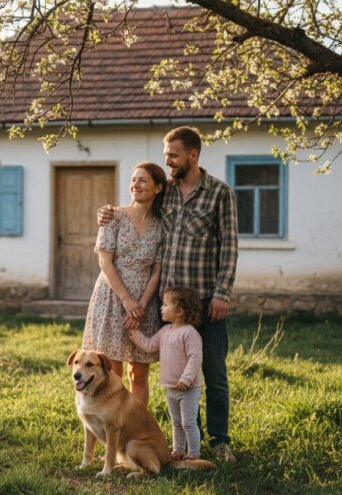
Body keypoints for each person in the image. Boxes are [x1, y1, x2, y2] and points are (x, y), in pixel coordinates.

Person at [98, 126, 239, 462]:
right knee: (175, 376)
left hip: (206, 300)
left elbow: (230, 247)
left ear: (193, 155)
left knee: (214, 373)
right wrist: (107, 213)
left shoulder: (220, 193)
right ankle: (189, 443)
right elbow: (137, 203)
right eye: (166, 157)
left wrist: (223, 293)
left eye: (173, 156)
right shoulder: (167, 192)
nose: (169, 162)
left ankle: (220, 442)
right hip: (171, 307)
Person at [81, 161, 167, 408]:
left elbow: (157, 270)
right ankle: (111, 427)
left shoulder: (162, 225)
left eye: (142, 180)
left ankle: (135, 427)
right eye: (133, 179)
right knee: (112, 373)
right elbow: (105, 262)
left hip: (144, 303)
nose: (135, 185)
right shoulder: (113, 216)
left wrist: (140, 305)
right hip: (112, 297)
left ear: (158, 188)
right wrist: (127, 301)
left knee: (138, 374)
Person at [127, 286, 204, 461]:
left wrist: (186, 379)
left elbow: (195, 358)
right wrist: (134, 331)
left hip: (188, 389)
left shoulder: (190, 333)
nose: (161, 308)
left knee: (188, 423)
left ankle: (194, 453)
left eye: (166, 304)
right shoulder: (165, 331)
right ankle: (177, 451)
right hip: (171, 387)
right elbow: (149, 345)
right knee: (176, 423)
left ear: (180, 311)